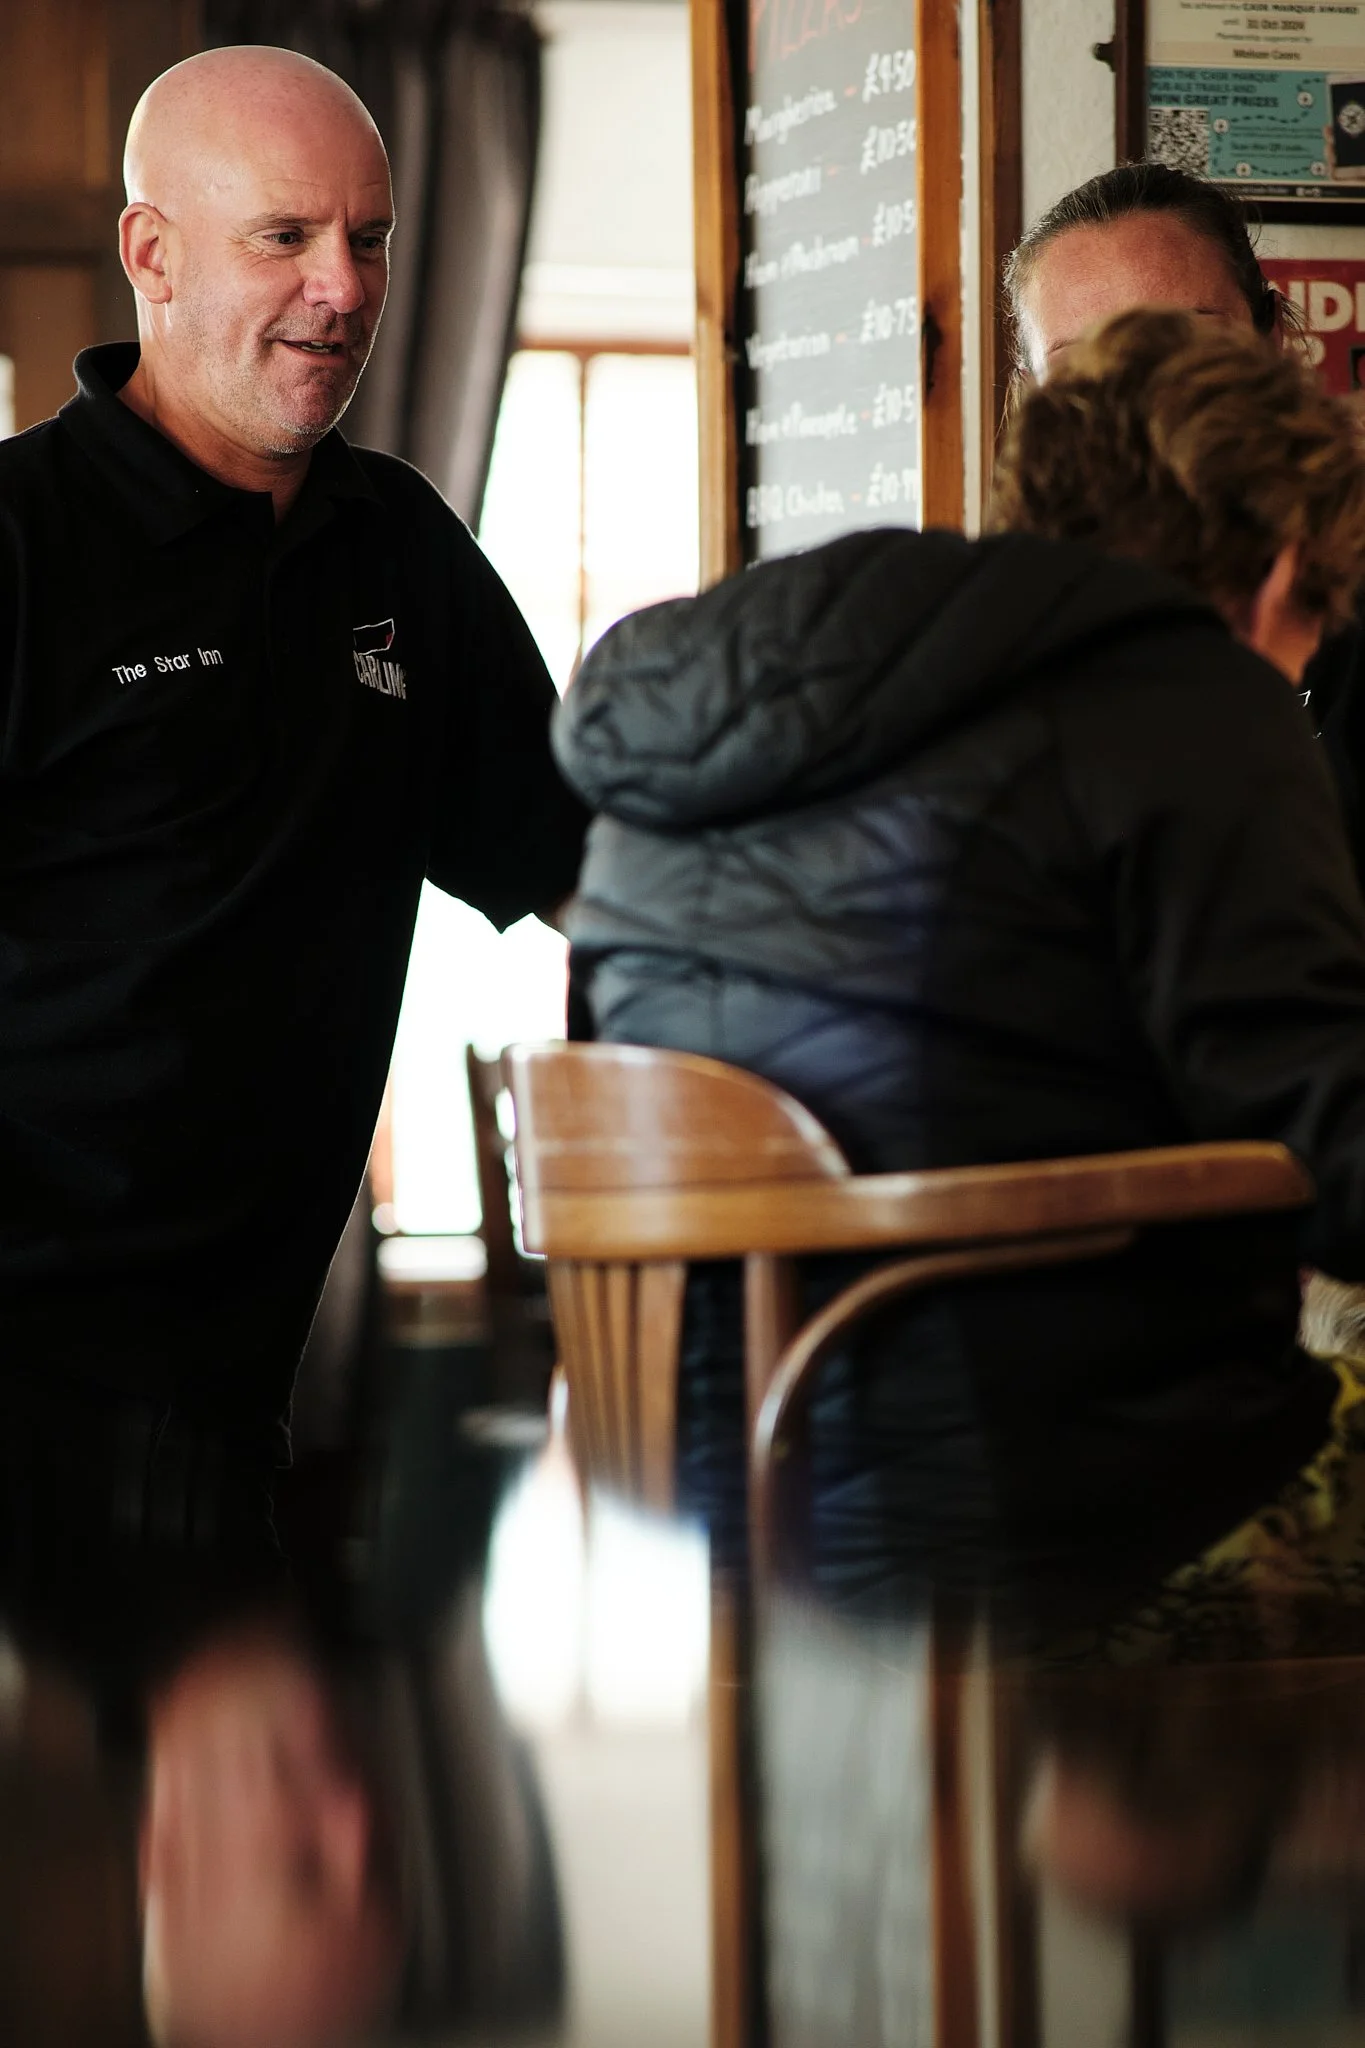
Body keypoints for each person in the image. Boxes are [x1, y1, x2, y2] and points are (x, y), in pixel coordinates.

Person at [554, 309, 1365, 1612]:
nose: (1308, 663)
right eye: (1318, 619)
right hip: (1055, 1518)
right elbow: (1336, 1149)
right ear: (1277, 573)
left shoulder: (686, 723)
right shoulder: (1192, 698)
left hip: (693, 1517)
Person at [0, 48, 587, 1468]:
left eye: (370, 240)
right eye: (286, 238)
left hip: (231, 1414)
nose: (345, 288)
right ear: (152, 253)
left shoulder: (397, 550)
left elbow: (591, 867)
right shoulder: (19, 543)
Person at [1003, 159, 1365, 875]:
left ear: (1272, 340)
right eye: (1083, 362)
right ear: (1031, 396)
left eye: (1184, 337)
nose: (1143, 393)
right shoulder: (991, 640)